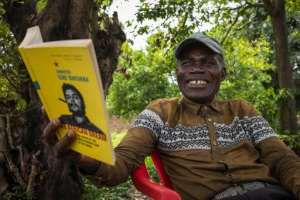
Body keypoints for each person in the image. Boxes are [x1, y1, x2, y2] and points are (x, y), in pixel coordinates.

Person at [43, 33, 300, 200]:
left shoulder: (242, 110)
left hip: (273, 194)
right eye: (187, 63)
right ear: (178, 74)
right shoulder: (160, 113)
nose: (196, 68)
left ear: (222, 73)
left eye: (208, 62)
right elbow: (121, 164)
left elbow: (282, 158)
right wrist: (88, 159)